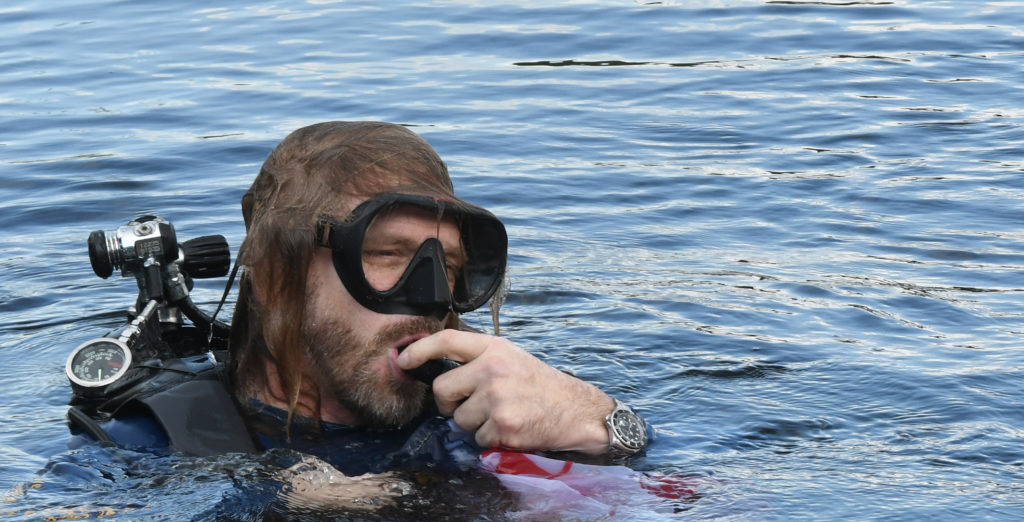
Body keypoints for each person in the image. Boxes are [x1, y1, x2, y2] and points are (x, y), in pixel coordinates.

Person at [67, 121, 649, 475]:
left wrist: (604, 425)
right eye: (387, 256)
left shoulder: (494, 415)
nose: (427, 298)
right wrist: (280, 519)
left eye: (445, 265)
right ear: (274, 277)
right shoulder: (146, 449)